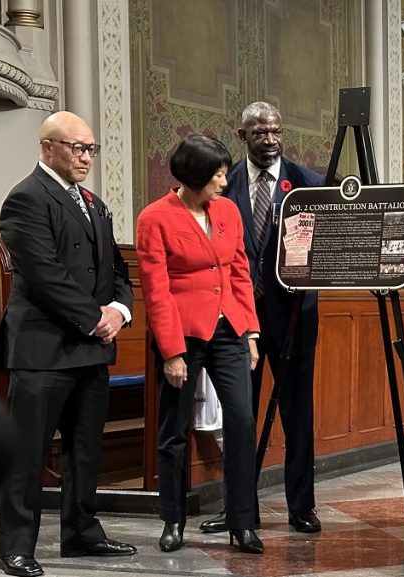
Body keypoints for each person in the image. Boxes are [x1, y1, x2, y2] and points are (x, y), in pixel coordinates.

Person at [0, 111, 136, 577]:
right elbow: (43, 274)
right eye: (78, 148)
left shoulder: (93, 203)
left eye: (91, 149)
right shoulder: (26, 198)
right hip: (42, 348)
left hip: (90, 347)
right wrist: (94, 318)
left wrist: (120, 310)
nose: (86, 157)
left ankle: (81, 532)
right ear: (47, 146)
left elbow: (116, 269)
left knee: (84, 448)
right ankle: (16, 547)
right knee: (28, 453)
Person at [136, 134, 263, 555]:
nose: (225, 183)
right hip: (183, 335)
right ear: (193, 175)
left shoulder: (228, 211)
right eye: (218, 174)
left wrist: (249, 331)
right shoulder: (154, 218)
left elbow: (240, 271)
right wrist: (171, 351)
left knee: (242, 422)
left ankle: (242, 522)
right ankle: (173, 519)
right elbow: (156, 290)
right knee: (174, 430)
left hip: (229, 329)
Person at [207, 101, 326, 535]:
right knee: (240, 417)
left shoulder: (309, 184)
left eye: (276, 131)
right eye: (260, 133)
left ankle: (301, 507)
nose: (271, 140)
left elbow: (324, 255)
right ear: (243, 136)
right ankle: (239, 510)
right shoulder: (223, 183)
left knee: (298, 415)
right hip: (238, 321)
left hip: (294, 317)